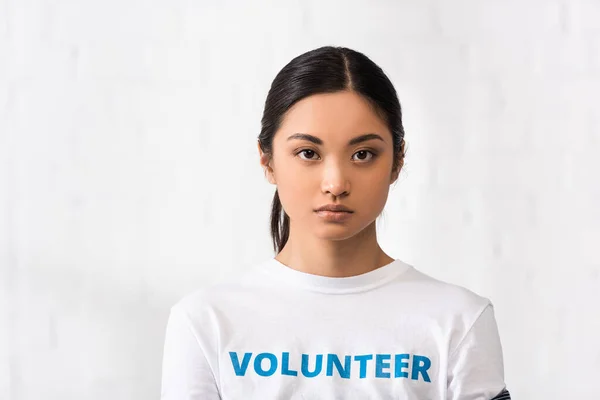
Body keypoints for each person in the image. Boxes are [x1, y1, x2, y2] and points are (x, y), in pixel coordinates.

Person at [160, 45, 511, 399]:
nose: (336, 184)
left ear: (397, 162)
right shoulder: (205, 322)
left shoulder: (460, 321)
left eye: (363, 154)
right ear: (267, 161)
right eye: (308, 154)